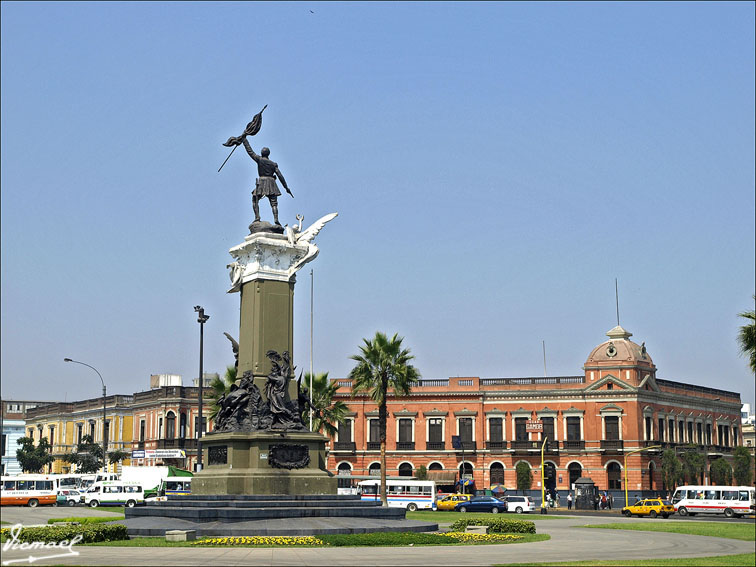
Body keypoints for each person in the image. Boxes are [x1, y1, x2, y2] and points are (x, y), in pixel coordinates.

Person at [240, 138, 293, 226]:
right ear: (268, 154)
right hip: (272, 183)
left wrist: (244, 141)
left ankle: (257, 217)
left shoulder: (259, 159)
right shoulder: (273, 164)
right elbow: (280, 176)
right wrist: (286, 187)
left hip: (262, 182)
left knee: (255, 200)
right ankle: (276, 219)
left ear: (262, 153)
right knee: (274, 203)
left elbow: (250, 152)